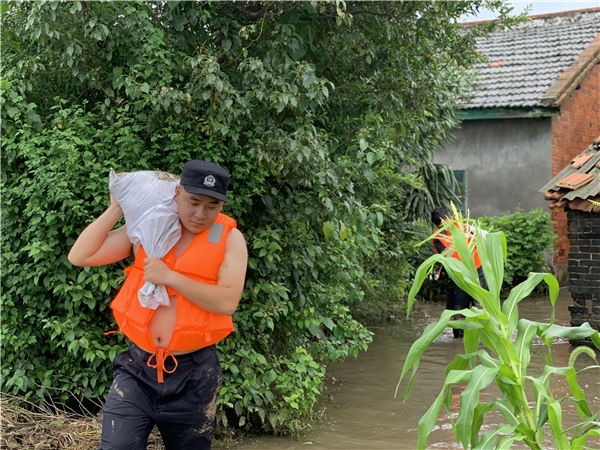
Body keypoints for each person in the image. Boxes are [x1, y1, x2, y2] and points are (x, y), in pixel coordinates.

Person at [68, 160, 248, 450]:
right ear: (177, 193)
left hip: (195, 375)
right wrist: (117, 207)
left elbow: (227, 302)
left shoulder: (230, 238)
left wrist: (171, 277)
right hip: (137, 369)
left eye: (212, 206)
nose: (201, 214)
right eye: (193, 201)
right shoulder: (150, 227)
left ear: (221, 206)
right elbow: (80, 256)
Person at [431, 207, 487, 338]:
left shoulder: (465, 226)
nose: (446, 229)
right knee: (459, 310)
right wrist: (458, 239)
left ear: (451, 218)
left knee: (481, 308)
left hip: (477, 272)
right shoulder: (438, 237)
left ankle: (485, 337)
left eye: (447, 225)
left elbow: (483, 242)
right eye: (441, 227)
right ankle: (459, 340)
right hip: (458, 276)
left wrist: (470, 235)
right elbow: (446, 257)